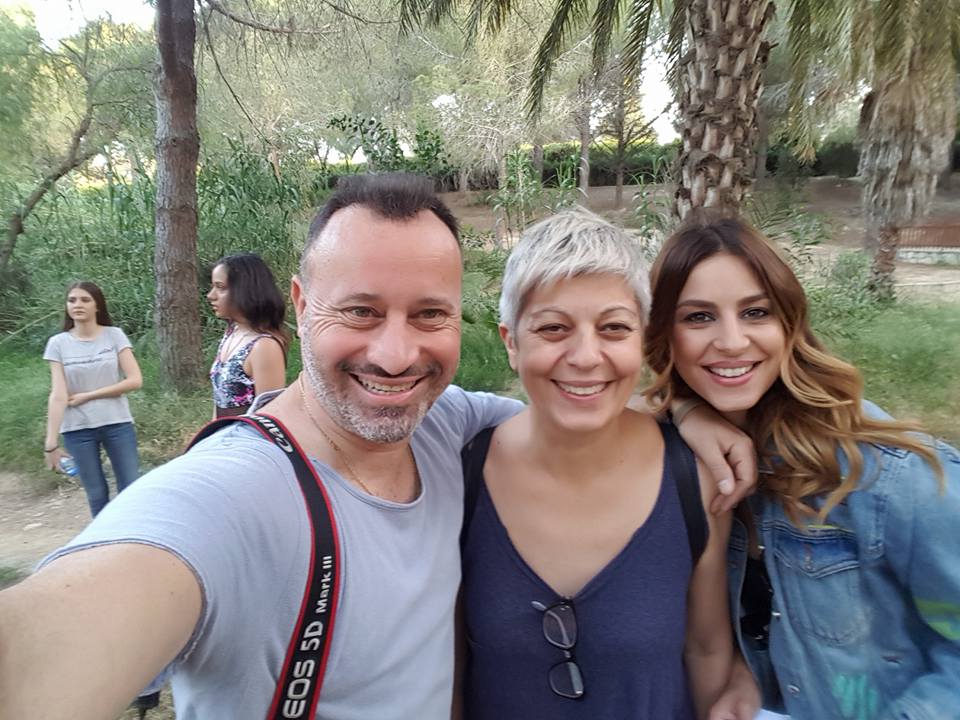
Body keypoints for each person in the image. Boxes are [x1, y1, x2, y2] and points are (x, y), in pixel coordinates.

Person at [0, 175, 756, 720]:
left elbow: (573, 409)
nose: (396, 357)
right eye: (360, 311)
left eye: (428, 315)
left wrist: (686, 412)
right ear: (301, 306)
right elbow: (62, 630)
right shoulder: (229, 495)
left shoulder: (451, 427)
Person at [644, 212, 960, 719]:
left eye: (755, 313)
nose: (731, 341)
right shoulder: (675, 455)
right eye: (698, 317)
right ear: (663, 333)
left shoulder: (885, 473)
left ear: (788, 323)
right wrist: (684, 410)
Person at [460, 209, 734, 719]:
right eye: (553, 328)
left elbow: (708, 649)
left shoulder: (694, 478)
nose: (586, 356)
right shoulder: (463, 475)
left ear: (642, 339)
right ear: (511, 342)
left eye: (613, 328)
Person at [42, 281, 143, 517]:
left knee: (131, 488)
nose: (77, 305)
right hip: (77, 429)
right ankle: (103, 538)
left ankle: (133, 535)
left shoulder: (114, 336)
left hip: (117, 423)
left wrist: (89, 395)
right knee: (96, 493)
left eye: (85, 300)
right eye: (72, 300)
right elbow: (58, 394)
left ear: (97, 305)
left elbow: (135, 380)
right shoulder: (58, 343)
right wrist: (51, 444)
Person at [207, 252, 288, 417]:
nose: (211, 295)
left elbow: (269, 414)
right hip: (223, 431)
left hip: (247, 432)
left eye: (220, 287)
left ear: (245, 290)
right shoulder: (232, 333)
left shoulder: (264, 346)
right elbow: (219, 401)